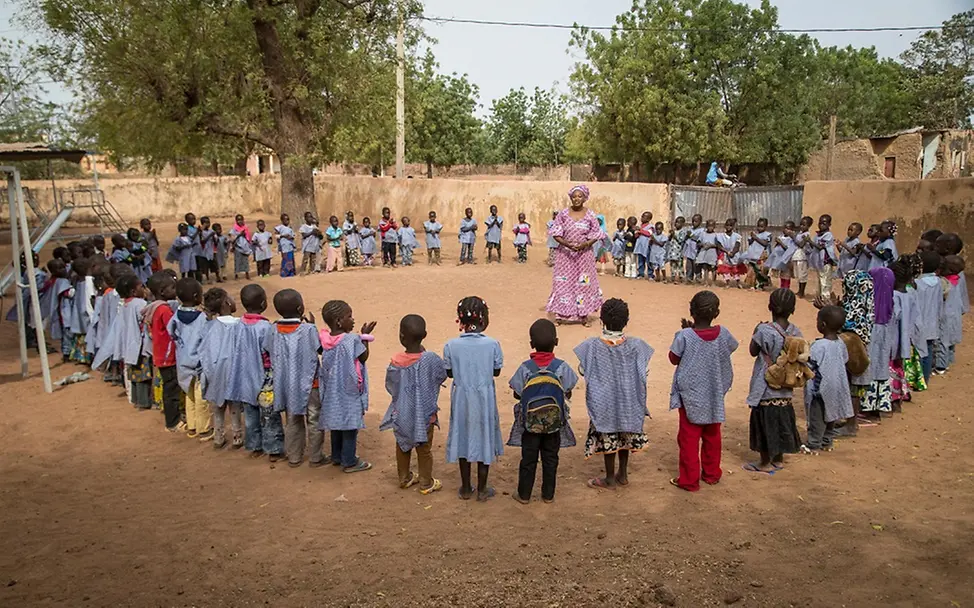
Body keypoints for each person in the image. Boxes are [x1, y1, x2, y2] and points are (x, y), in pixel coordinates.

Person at [573, 299, 652, 490]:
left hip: (604, 403)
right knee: (625, 435)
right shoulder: (637, 346)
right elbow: (644, 372)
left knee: (609, 436)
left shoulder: (591, 346)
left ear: (602, 320)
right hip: (629, 402)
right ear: (627, 321)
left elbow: (583, 370)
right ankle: (622, 474)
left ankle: (609, 477)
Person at [668, 291, 739, 492]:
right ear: (716, 313)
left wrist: (689, 336)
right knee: (712, 436)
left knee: (688, 439)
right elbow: (732, 346)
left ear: (691, 312)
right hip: (714, 394)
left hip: (690, 396)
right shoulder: (723, 333)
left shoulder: (684, 336)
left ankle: (689, 480)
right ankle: (711, 474)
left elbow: (673, 358)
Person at [506, 319, 578, 503]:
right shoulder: (562, 367)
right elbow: (568, 389)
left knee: (528, 460)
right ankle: (548, 495)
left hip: (530, 426)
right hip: (554, 425)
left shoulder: (525, 368)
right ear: (556, 342)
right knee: (550, 458)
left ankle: (523, 494)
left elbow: (517, 393)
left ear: (531, 344)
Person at [444, 296, 504, 501]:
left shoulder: (451, 345)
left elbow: (450, 373)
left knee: (463, 436)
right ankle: (482, 489)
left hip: (461, 397)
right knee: (484, 435)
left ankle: (466, 487)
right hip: (484, 397)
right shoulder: (493, 344)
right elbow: (496, 371)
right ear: (483, 319)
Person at [380, 314, 447, 494]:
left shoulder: (395, 361)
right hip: (425, 414)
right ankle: (426, 483)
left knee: (403, 445)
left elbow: (391, 385)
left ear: (401, 336)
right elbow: (442, 375)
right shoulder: (430, 358)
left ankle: (405, 478)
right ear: (425, 335)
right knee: (424, 449)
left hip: (402, 412)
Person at [744, 289, 803, 473]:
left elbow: (753, 351)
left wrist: (755, 331)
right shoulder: (795, 331)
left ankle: (764, 462)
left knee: (765, 423)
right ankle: (778, 458)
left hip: (765, 386)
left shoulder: (764, 330)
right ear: (793, 309)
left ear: (770, 306)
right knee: (781, 420)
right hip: (785, 387)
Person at [268, 289, 324, 467]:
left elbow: (268, 349)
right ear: (301, 308)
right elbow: (320, 350)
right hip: (311, 383)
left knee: (292, 419)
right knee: (314, 419)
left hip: (287, 385)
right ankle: (316, 457)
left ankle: (294, 457)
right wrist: (313, 326)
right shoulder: (308, 329)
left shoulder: (273, 329)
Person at [318, 300, 376, 473]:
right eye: (349, 316)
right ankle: (349, 461)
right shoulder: (351, 340)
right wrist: (365, 337)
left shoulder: (326, 339)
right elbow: (363, 357)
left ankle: (336, 456)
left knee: (336, 424)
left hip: (332, 390)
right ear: (338, 321)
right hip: (349, 389)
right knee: (350, 425)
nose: (353, 320)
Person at [545, 185, 606, 326]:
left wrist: (584, 245)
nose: (577, 199)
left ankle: (583, 315)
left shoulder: (590, 215)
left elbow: (597, 234)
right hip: (565, 255)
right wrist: (568, 244)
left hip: (584, 256)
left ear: (585, 198)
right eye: (574, 196)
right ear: (570, 198)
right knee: (562, 283)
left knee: (583, 285)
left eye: (580, 196)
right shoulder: (563, 214)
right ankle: (560, 315)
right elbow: (556, 233)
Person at [235, 284, 283, 459]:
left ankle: (255, 446)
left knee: (250, 414)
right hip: (265, 377)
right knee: (269, 414)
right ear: (264, 303)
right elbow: (270, 350)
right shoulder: (265, 327)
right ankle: (274, 449)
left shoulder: (238, 324)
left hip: (245, 376)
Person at [803, 306, 853, 453]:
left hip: (821, 387)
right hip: (838, 386)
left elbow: (810, 363)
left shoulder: (818, 345)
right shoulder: (841, 343)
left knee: (817, 416)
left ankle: (813, 444)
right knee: (831, 415)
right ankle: (827, 441)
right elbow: (845, 359)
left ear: (823, 325)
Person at [166, 277, 212, 439]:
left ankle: (192, 426)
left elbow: (170, 332)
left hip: (183, 361)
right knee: (202, 397)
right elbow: (207, 337)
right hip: (198, 363)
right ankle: (204, 429)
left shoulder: (176, 316)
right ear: (195, 296)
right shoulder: (202, 318)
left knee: (189, 394)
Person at [198, 288, 238, 445]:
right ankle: (237, 436)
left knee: (217, 408)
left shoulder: (209, 326)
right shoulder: (238, 324)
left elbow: (203, 348)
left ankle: (218, 437)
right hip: (233, 371)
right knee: (234, 406)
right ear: (227, 303)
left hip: (214, 372)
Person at [147, 273, 180, 432]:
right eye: (172, 288)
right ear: (162, 291)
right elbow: (174, 329)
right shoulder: (164, 310)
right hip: (168, 356)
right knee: (171, 389)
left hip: (160, 354)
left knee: (170, 387)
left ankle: (173, 418)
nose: (175, 290)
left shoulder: (154, 307)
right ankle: (173, 422)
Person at [913, 251, 943, 384]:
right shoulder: (938, 282)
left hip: (919, 322)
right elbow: (939, 303)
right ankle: (925, 378)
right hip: (932, 321)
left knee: (917, 351)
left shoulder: (917, 283)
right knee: (928, 350)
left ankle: (917, 378)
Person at [935, 255, 966, 374]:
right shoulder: (957, 280)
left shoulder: (945, 283)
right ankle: (949, 361)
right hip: (955, 314)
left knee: (942, 340)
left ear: (950, 270)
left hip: (945, 315)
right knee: (951, 341)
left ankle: (940, 366)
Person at [809, 214, 839, 298]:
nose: (821, 225)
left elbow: (819, 247)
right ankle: (819, 297)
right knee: (820, 279)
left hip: (825, 261)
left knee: (825, 280)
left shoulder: (828, 235)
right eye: (820, 222)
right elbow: (813, 247)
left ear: (829, 225)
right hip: (819, 262)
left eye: (824, 223)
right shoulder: (817, 235)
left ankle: (826, 298)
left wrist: (810, 241)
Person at [766, 221, 797, 290]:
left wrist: (781, 243)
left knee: (786, 275)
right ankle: (782, 288)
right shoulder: (781, 237)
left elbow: (788, 249)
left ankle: (786, 289)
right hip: (779, 260)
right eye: (785, 228)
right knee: (782, 276)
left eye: (788, 228)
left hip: (787, 260)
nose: (786, 230)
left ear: (792, 230)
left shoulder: (792, 239)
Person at [716, 219, 745, 288]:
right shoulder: (720, 236)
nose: (729, 227)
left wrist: (733, 253)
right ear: (725, 226)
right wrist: (726, 252)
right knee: (726, 270)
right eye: (727, 225)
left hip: (734, 255)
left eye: (731, 225)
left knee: (736, 270)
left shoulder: (737, 236)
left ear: (733, 227)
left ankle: (738, 283)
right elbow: (719, 245)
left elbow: (737, 246)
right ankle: (727, 283)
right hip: (726, 255)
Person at [791, 216, 814, 298]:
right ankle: (799, 291)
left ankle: (802, 292)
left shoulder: (806, 235)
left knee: (802, 275)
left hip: (802, 257)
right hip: (797, 256)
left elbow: (801, 245)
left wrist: (793, 237)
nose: (801, 226)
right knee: (798, 275)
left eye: (804, 225)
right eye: (801, 224)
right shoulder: (800, 233)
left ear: (808, 226)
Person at [694, 220, 719, 286]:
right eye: (708, 226)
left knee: (713, 268)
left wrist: (711, 245)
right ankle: (706, 281)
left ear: (714, 227)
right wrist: (703, 244)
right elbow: (698, 243)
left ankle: (713, 282)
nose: (710, 228)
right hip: (704, 253)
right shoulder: (703, 234)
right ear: (706, 226)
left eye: (712, 226)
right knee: (705, 268)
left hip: (712, 254)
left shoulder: (716, 235)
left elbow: (718, 245)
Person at [667, 216, 690, 284]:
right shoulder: (674, 231)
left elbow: (681, 240)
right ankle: (673, 277)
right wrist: (671, 235)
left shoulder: (683, 231)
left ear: (682, 224)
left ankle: (681, 278)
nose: (676, 224)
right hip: (672, 251)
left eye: (678, 222)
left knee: (680, 266)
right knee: (672, 265)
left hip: (679, 252)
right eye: (676, 222)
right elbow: (669, 240)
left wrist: (674, 235)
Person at [229, 215, 252, 281]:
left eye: (241, 220)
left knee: (245, 261)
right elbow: (232, 238)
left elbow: (248, 237)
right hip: (237, 247)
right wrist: (239, 234)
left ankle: (247, 274)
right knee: (237, 261)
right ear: (236, 221)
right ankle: (236, 274)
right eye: (238, 220)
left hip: (245, 247)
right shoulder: (234, 229)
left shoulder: (245, 228)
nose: (240, 221)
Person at [683, 214, 704, 283]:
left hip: (696, 252)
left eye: (696, 221)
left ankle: (698, 278)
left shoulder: (702, 231)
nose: (694, 223)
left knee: (696, 266)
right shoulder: (690, 229)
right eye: (693, 221)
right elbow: (685, 239)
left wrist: (691, 235)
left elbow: (699, 240)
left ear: (700, 222)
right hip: (689, 252)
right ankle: (689, 278)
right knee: (689, 266)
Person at [275, 214, 297, 278]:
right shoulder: (280, 227)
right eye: (285, 219)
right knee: (285, 259)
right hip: (284, 247)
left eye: (288, 219)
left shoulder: (290, 228)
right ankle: (284, 273)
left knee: (290, 259)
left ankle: (291, 272)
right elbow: (276, 236)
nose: (287, 221)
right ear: (282, 220)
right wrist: (283, 236)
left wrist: (290, 237)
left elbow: (293, 236)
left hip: (290, 246)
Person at [634, 211, 653, 279]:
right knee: (640, 261)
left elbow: (649, 234)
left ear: (648, 219)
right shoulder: (640, 226)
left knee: (648, 261)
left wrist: (641, 231)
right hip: (640, 247)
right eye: (642, 216)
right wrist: (637, 232)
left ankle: (650, 274)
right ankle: (641, 273)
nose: (642, 218)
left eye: (644, 217)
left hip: (646, 246)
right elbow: (636, 235)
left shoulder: (650, 227)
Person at [197, 216, 216, 284]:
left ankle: (212, 278)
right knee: (205, 266)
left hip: (210, 251)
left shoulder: (211, 231)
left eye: (208, 222)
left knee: (212, 264)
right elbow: (202, 241)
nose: (208, 224)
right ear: (202, 223)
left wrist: (213, 236)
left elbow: (215, 242)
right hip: (204, 252)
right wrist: (210, 235)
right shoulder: (201, 232)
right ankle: (206, 278)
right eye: (206, 223)